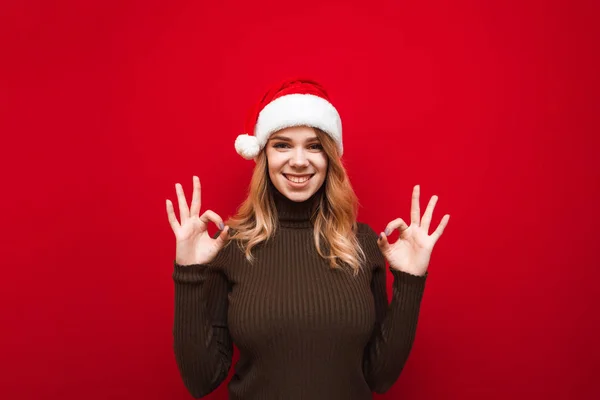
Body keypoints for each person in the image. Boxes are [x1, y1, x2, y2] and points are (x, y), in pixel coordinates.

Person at [165, 78, 450, 399]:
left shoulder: (364, 243)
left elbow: (378, 376)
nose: (299, 160)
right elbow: (201, 381)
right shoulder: (231, 248)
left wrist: (410, 281)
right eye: (282, 144)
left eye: (314, 146)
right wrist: (188, 272)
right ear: (263, 157)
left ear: (330, 157)